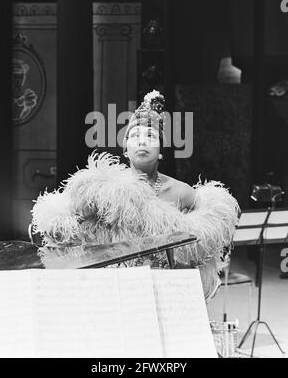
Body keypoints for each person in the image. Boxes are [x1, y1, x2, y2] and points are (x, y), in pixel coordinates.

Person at [31, 90, 239, 301]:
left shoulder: (180, 191)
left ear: (160, 150)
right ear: (125, 150)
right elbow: (67, 222)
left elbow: (208, 230)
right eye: (134, 136)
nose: (141, 142)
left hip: (163, 288)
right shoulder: (104, 190)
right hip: (118, 287)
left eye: (150, 136)